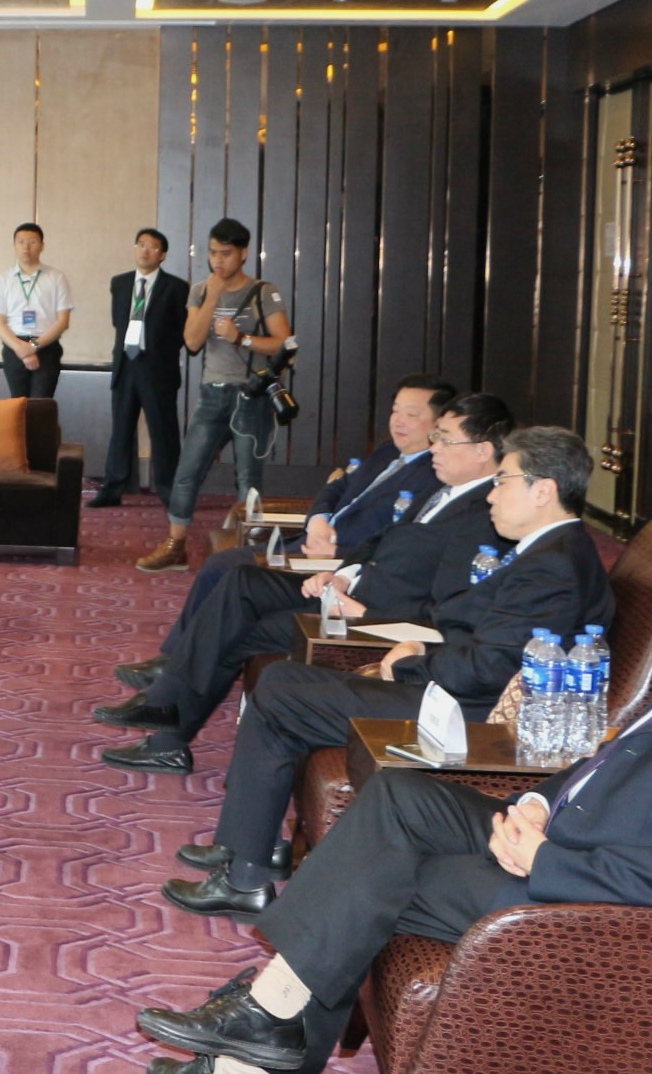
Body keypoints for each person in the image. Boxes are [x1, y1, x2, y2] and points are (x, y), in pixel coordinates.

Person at [135, 496, 652, 1074]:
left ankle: (246, 1050)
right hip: (562, 833)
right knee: (401, 791)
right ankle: (257, 1039)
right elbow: (613, 758)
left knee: (377, 878)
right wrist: (538, 801)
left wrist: (547, 858)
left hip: (598, 896)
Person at [160, 426, 614, 919]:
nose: (491, 494)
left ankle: (244, 877)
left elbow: (486, 667)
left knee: (284, 694)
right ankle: (254, 849)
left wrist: (412, 663)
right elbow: (483, 638)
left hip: (468, 716)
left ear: (543, 490)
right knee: (284, 682)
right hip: (456, 689)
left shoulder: (554, 566)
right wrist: (423, 643)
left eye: (502, 481)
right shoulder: (552, 551)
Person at [96, 393, 511, 777]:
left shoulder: (486, 517)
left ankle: (166, 725)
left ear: (483, 450)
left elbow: (449, 608)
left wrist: (367, 611)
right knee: (241, 581)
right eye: (435, 437)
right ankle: (166, 717)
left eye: (445, 439)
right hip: (344, 587)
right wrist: (342, 574)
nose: (435, 447)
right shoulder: (444, 489)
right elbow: (379, 540)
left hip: (370, 617)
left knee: (242, 622)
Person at [112, 375, 454, 693]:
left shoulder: (433, 475)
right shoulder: (389, 452)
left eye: (411, 414)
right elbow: (336, 488)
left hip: (333, 564)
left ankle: (175, 665)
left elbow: (390, 543)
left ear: (439, 426)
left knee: (227, 569)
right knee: (223, 565)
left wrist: (340, 558)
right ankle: (175, 662)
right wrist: (318, 520)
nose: (398, 421)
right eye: (395, 411)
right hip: (310, 542)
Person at [136, 218, 292, 573]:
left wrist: (242, 338)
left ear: (243, 253)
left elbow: (285, 343)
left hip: (251, 397)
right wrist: (213, 295)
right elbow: (192, 342)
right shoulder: (200, 291)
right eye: (212, 253)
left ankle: (244, 553)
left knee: (248, 479)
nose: (217, 261)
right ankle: (176, 547)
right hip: (212, 394)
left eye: (226, 254)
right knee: (187, 471)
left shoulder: (264, 292)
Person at [90, 228, 189, 508]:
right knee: (121, 430)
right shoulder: (120, 283)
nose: (145, 250)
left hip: (157, 368)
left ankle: (168, 489)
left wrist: (160, 351)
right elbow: (118, 321)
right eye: (141, 244)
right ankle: (112, 489)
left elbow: (180, 330)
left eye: (152, 247)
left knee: (163, 431)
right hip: (126, 364)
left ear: (163, 255)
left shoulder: (176, 287)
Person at [0, 222, 73, 400]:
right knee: (17, 405)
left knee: (40, 404)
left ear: (42, 246)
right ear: (14, 245)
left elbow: (63, 322)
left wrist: (32, 346)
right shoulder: (3, 280)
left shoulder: (56, 278)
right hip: (14, 346)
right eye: (21, 242)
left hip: (46, 347)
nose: (26, 247)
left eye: (32, 242)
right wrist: (21, 348)